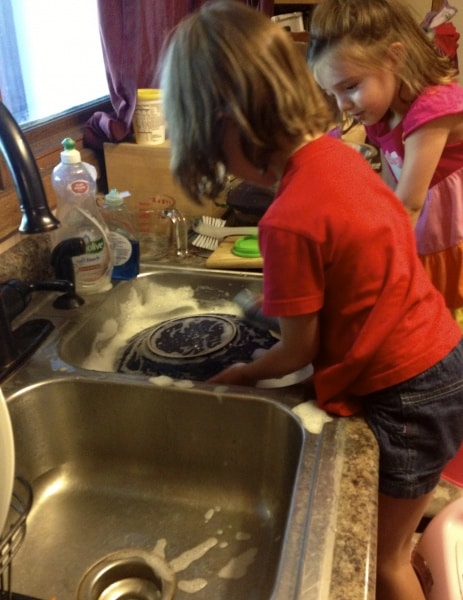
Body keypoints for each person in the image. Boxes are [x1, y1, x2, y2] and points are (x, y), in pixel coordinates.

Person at [159, 2, 463, 599]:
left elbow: (301, 348)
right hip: (441, 361)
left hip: (407, 394)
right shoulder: (340, 157)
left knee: (384, 557)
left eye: (216, 158)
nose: (230, 174)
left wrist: (239, 376)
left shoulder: (287, 221)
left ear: (229, 126)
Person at [307, 0, 463, 327]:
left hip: (451, 218)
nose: (343, 105)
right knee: (431, 304)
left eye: (350, 87)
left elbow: (408, 204)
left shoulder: (432, 109)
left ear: (394, 57)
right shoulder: (380, 112)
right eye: (332, 93)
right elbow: (391, 187)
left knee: (443, 303)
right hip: (429, 216)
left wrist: (366, 264)